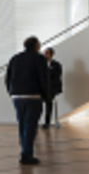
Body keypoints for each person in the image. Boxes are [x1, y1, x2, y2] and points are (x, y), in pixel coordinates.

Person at [5, 36, 51, 166]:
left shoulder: (15, 58)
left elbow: (7, 78)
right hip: (33, 96)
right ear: (36, 46)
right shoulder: (40, 59)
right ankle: (27, 155)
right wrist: (46, 96)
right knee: (31, 125)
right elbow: (44, 79)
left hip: (17, 96)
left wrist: (11, 92)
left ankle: (24, 151)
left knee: (22, 124)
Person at [43, 47, 63, 130]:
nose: (45, 55)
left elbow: (57, 77)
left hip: (52, 88)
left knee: (49, 103)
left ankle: (47, 122)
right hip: (43, 88)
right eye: (45, 53)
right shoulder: (41, 64)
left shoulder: (56, 65)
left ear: (52, 55)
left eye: (47, 53)